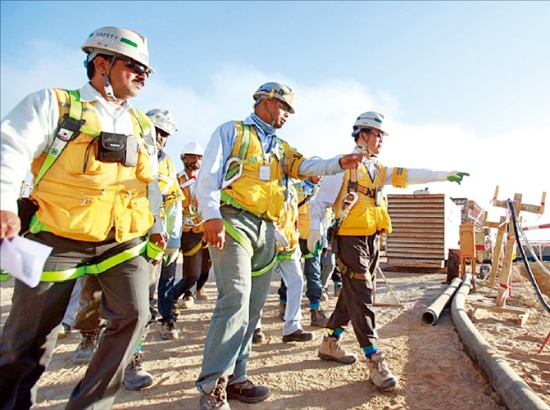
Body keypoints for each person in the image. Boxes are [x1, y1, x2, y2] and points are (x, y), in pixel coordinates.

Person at [0, 26, 166, 409]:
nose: (142, 75)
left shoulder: (140, 124)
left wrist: (156, 227)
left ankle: (89, 405)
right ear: (101, 63)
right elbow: (9, 147)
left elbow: (150, 183)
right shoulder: (55, 104)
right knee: (28, 338)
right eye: (134, 66)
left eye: (146, 70)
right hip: (55, 236)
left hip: (122, 242)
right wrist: (5, 204)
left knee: (135, 315)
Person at [195, 81, 368, 410]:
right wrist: (211, 215)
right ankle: (210, 387)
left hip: (266, 228)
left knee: (253, 306)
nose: (287, 114)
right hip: (233, 221)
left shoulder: (282, 147)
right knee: (235, 298)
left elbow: (305, 166)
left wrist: (338, 163)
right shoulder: (232, 132)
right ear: (264, 101)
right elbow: (210, 173)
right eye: (283, 107)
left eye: (290, 110)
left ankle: (237, 378)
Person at [307, 111, 469, 391]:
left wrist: (445, 175)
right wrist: (314, 231)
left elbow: (411, 174)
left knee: (352, 293)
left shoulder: (378, 169)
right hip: (349, 238)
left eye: (382, 136)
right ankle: (374, 358)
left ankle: (331, 342)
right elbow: (320, 202)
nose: (381, 140)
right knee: (363, 293)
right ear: (362, 135)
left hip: (371, 239)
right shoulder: (343, 165)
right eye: (377, 135)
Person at [123, 108, 184, 390]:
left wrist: (172, 239)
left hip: (148, 242)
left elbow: (172, 204)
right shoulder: (124, 150)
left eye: (164, 134)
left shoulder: (167, 166)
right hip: (113, 237)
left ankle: (133, 358)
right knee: (101, 301)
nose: (159, 138)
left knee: (143, 304)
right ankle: (94, 341)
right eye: (156, 131)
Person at [157, 141, 210, 340]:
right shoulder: (175, 179)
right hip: (174, 230)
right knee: (167, 275)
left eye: (199, 157)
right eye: (192, 156)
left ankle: (172, 297)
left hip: (195, 231)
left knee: (192, 276)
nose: (196, 161)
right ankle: (167, 315)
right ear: (183, 158)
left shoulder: (204, 181)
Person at [255, 177, 313, 344]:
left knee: (296, 281)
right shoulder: (266, 181)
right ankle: (254, 326)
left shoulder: (293, 188)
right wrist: (272, 230)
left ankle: (292, 327)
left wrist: (294, 238)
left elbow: (293, 215)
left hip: (288, 244)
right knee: (260, 285)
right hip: (266, 240)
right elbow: (258, 209)